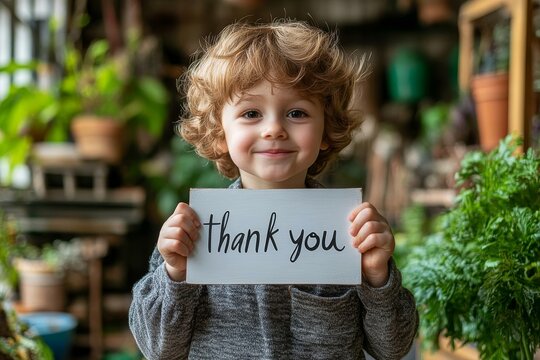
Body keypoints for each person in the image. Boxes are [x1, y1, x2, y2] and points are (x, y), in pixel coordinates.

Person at [129, 19, 418, 360]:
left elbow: (394, 347)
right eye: (251, 113)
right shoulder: (194, 232)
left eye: (297, 112)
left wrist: (377, 278)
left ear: (327, 128)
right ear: (221, 133)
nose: (274, 129)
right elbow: (158, 349)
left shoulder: (350, 231)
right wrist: (175, 274)